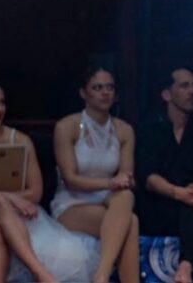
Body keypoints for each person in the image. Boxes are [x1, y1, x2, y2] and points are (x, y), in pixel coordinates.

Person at [51, 65, 139, 283]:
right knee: (131, 221)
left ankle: (101, 275)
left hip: (109, 202)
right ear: (84, 93)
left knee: (126, 196)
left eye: (110, 87)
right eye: (98, 88)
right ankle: (103, 276)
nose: (105, 93)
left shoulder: (124, 130)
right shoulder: (67, 126)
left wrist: (122, 182)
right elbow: (70, 179)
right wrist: (111, 183)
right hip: (72, 203)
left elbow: (126, 177)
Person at [136, 67, 193, 283]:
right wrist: (182, 194)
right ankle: (188, 268)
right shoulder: (150, 128)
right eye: (185, 86)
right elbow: (148, 178)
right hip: (162, 203)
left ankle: (185, 267)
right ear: (167, 94)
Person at [0, 74, 59, 283]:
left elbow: (36, 192)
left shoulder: (21, 140)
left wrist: (11, 201)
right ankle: (39, 272)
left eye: (2, 102)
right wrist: (10, 197)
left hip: (14, 212)